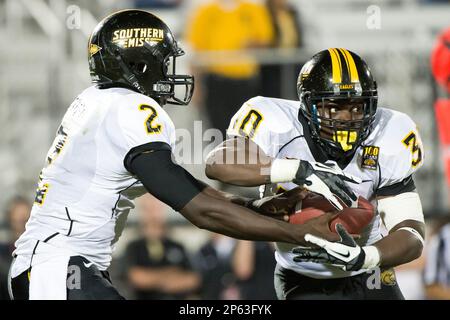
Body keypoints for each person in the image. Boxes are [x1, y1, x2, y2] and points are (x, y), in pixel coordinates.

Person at [8, 10, 355, 300]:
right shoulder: (130, 107)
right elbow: (202, 211)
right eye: (163, 62)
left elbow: (198, 196)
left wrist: (268, 211)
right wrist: (298, 232)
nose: (171, 73)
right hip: (59, 268)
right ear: (139, 64)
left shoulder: (99, 103)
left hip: (54, 268)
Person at [206, 48, 426, 299]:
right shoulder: (277, 123)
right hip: (303, 278)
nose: (347, 118)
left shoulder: (389, 133)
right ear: (308, 105)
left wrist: (366, 257)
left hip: (370, 275)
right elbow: (218, 163)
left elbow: (412, 234)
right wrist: (298, 170)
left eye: (357, 107)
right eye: (334, 107)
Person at [124, 194, 199, 300]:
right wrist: (170, 275)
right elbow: (137, 278)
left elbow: (192, 279)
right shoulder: (134, 247)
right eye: (149, 209)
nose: (154, 214)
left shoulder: (177, 246)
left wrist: (154, 279)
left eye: (157, 208)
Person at [0, 196, 31, 300]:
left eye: (25, 219)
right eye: (17, 219)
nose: (22, 221)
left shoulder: (39, 251)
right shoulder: (3, 252)